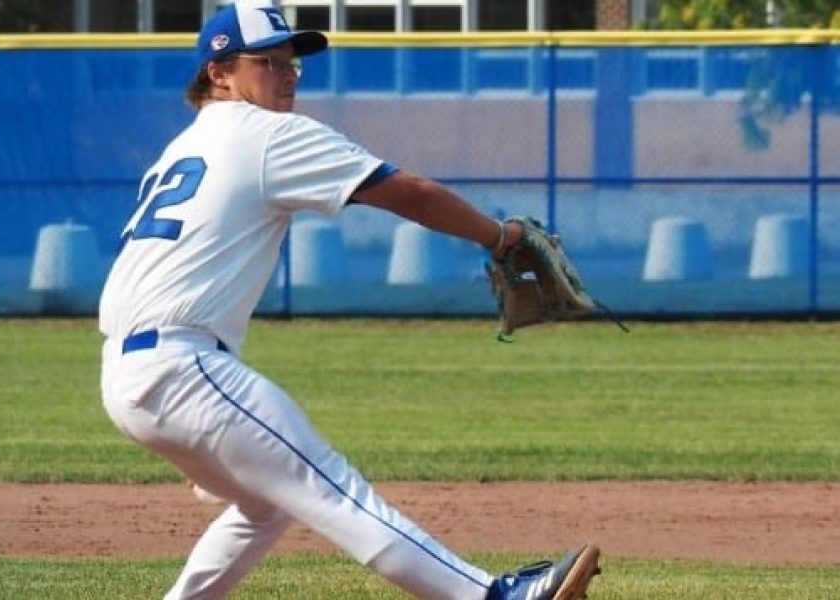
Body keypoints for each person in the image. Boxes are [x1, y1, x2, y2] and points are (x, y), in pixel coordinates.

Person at [97, 1, 600, 598]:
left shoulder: (182, 148)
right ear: (219, 73)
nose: (287, 74)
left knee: (266, 504)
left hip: (128, 376)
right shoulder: (264, 134)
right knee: (330, 487)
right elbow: (406, 191)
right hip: (184, 368)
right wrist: (501, 236)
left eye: (293, 64)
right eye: (269, 62)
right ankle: (492, 595)